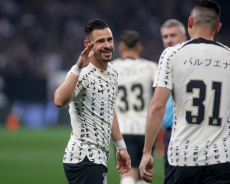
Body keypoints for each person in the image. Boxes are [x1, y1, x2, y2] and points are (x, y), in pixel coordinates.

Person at [139, 1, 230, 184]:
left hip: (182, 157)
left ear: (190, 22)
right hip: (222, 158)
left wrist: (147, 152)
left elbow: (157, 106)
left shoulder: (171, 55)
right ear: (218, 27)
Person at [54, 19, 131, 184]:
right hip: (84, 158)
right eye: (100, 41)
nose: (107, 45)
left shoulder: (112, 72)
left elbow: (108, 109)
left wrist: (121, 147)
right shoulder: (82, 72)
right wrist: (77, 67)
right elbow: (59, 100)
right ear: (88, 44)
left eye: (109, 39)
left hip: (96, 159)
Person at [113, 30, 157, 184]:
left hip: (122, 129)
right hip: (146, 129)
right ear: (139, 48)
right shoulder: (151, 67)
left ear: (120, 47)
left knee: (127, 173)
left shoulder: (112, 68)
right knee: (144, 175)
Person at [160, 19, 187, 172]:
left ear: (184, 37)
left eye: (173, 35)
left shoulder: (190, 60)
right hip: (171, 132)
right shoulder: (166, 60)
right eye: (165, 37)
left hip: (187, 129)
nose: (169, 40)